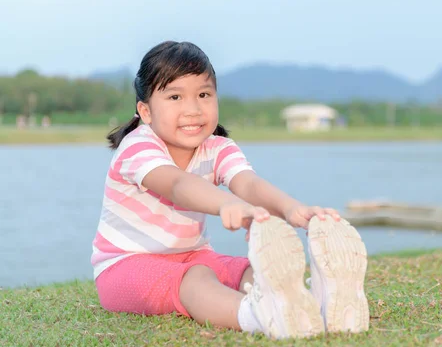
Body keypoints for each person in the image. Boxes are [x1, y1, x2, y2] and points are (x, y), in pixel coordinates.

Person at [91, 41, 369, 339]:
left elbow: (247, 183)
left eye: (204, 94)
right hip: (124, 267)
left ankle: (318, 304)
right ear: (145, 111)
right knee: (196, 279)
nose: (193, 109)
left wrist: (290, 208)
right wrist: (226, 205)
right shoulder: (138, 146)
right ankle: (257, 317)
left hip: (194, 255)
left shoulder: (218, 147)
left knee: (250, 270)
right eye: (175, 97)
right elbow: (176, 184)